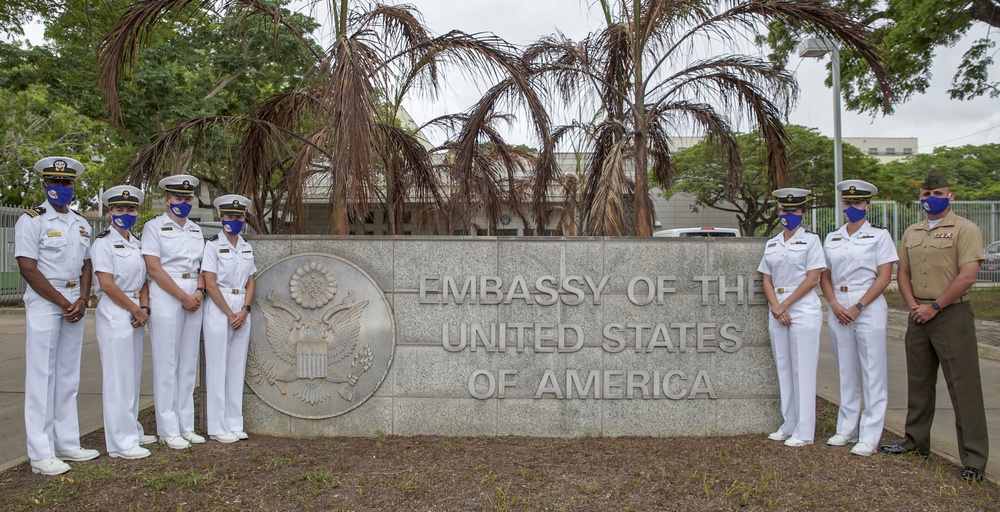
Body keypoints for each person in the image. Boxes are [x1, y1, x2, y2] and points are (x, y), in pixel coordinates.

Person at [880, 170, 989, 484]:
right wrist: (914, 305)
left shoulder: (964, 229)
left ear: (950, 196)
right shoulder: (912, 232)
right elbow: (903, 272)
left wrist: (935, 306)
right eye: (926, 195)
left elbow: (968, 275)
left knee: (964, 387)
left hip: (951, 314)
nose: (931, 199)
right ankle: (915, 443)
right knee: (919, 382)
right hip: (918, 313)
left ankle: (973, 459)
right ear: (920, 198)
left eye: (938, 194)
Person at [15, 156, 99, 475]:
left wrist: (81, 297)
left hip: (73, 302)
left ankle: (66, 442)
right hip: (45, 302)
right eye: (54, 182)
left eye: (66, 183)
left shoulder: (81, 222)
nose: (60, 188)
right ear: (44, 185)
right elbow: (27, 268)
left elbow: (87, 265)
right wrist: (64, 302)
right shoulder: (32, 221)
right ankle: (40, 452)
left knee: (67, 375)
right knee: (41, 377)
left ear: (73, 186)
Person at [819, 180, 897, 457]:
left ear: (867, 205)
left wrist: (859, 306)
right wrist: (833, 303)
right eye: (847, 203)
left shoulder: (879, 236)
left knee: (873, 372)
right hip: (838, 303)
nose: (851, 207)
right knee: (846, 370)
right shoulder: (832, 237)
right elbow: (824, 274)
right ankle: (846, 428)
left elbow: (885, 276)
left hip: (869, 304)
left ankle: (870, 434)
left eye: (857, 203)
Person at [142, 174, 207, 450]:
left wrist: (199, 293)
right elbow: (154, 268)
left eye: (187, 198)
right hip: (168, 295)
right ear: (167, 200)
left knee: (187, 364)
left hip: (194, 294)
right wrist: (183, 296)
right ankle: (168, 429)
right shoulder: (153, 228)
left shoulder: (196, 230)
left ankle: (186, 426)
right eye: (178, 198)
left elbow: (204, 267)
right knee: (167, 364)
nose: (183, 202)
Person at [92, 185, 156, 459]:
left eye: (130, 209)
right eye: (120, 209)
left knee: (131, 376)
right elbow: (106, 285)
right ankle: (120, 443)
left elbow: (143, 280)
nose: (125, 214)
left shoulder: (137, 242)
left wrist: (143, 307)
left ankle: (132, 429)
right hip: (116, 312)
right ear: (110, 212)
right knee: (118, 378)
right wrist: (135, 310)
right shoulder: (102, 243)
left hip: (134, 310)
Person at [758, 188, 826, 447]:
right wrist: (776, 307)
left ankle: (805, 431)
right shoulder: (773, 242)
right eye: (784, 210)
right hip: (777, 309)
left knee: (803, 371)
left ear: (803, 212)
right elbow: (766, 278)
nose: (788, 215)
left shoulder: (811, 241)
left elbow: (812, 279)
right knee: (784, 370)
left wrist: (785, 305)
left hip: (802, 309)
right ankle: (789, 423)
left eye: (794, 210)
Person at [202, 194, 256, 443]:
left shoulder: (246, 246)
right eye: (230, 216)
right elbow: (210, 284)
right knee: (218, 367)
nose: (234, 220)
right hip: (219, 307)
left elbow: (250, 281)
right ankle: (217, 426)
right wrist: (229, 313)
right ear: (220, 217)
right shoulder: (212, 245)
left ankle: (235, 422)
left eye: (239, 216)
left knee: (236, 368)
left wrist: (244, 310)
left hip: (241, 308)